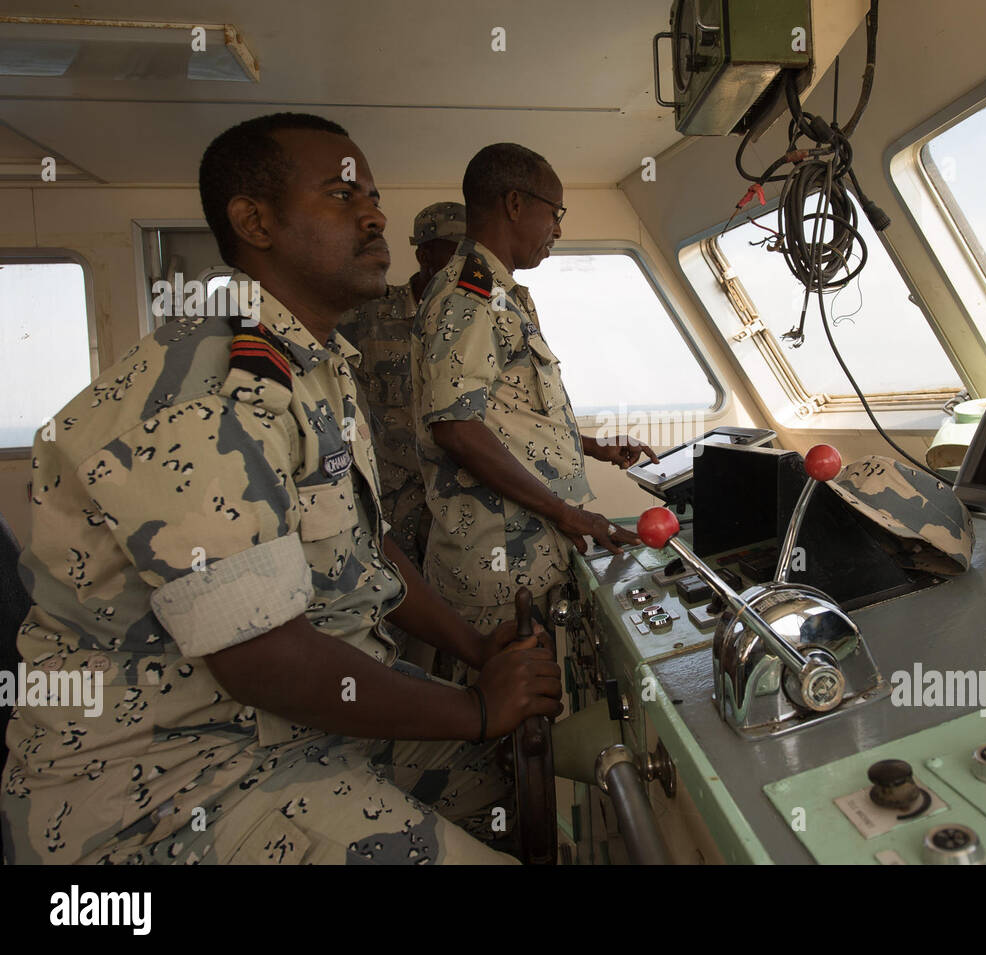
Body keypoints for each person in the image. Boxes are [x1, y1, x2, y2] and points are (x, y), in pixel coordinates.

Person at [0, 113, 561, 865]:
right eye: (341, 195)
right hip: (179, 785)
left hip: (294, 725)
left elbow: (370, 545)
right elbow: (260, 657)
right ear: (254, 221)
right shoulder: (209, 387)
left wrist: (475, 646)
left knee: (501, 788)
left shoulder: (315, 364)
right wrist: (477, 704)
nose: (374, 215)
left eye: (374, 198)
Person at [410, 143, 659, 679]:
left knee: (531, 723)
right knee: (498, 727)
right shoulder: (469, 296)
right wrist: (566, 512)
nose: (559, 229)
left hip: (528, 548)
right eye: (556, 212)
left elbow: (511, 413)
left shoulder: (503, 295)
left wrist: (593, 447)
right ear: (516, 204)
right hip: (496, 562)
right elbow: (455, 427)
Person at [336, 202, 465, 571]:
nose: (465, 262)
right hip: (388, 494)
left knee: (453, 596)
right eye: (455, 250)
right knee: (394, 592)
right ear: (425, 253)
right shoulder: (367, 312)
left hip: (456, 492)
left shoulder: (473, 322)